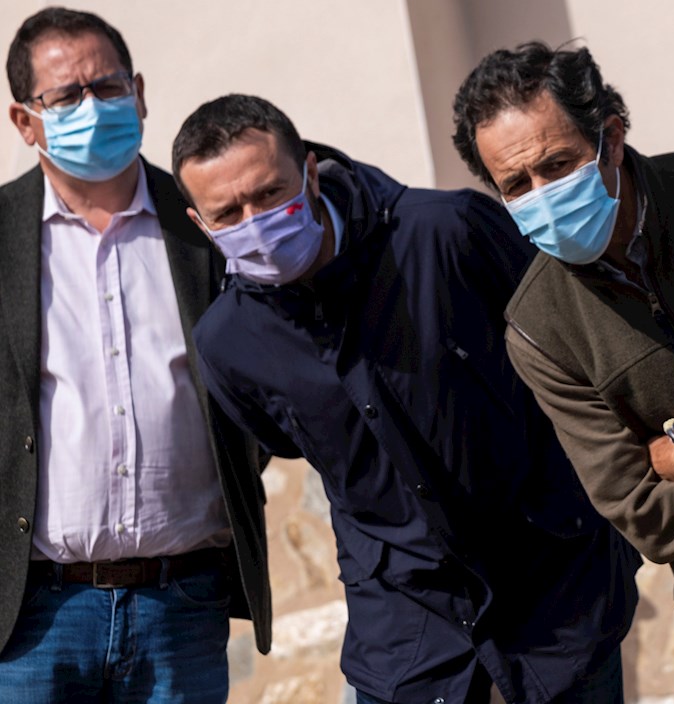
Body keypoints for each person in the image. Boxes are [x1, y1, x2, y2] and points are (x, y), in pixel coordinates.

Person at [172, 93, 639, 704]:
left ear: (310, 173)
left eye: (268, 193)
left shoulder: (445, 232)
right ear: (199, 224)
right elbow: (290, 443)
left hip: (556, 600)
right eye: (227, 212)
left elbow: (569, 344)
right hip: (407, 634)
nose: (255, 220)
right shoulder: (226, 342)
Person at [451, 41, 674, 704]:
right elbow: (649, 517)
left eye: (557, 165)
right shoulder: (538, 327)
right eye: (516, 186)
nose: (542, 196)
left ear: (610, 137)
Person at [0, 7, 271, 702]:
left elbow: (260, 385)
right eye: (66, 97)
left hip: (180, 608)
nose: (94, 108)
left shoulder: (208, 223)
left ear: (141, 93)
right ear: (25, 121)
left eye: (110, 87)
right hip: (35, 618)